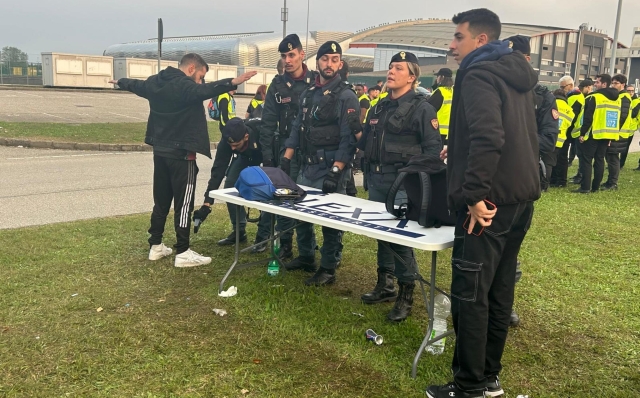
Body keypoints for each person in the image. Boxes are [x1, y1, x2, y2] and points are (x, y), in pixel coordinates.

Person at [426, 9, 539, 398]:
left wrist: (473, 196)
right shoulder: (515, 72)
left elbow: (488, 138)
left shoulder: (478, 73)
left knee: (471, 295)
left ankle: (469, 385)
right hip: (519, 199)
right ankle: (488, 378)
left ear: (480, 40)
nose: (451, 45)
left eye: (458, 37)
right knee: (497, 292)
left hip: (489, 205)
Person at [108, 53, 255, 267]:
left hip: (160, 152)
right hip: (182, 155)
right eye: (200, 75)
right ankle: (183, 251)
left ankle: (155, 246)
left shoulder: (156, 82)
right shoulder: (185, 87)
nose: (201, 81)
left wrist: (120, 82)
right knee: (184, 204)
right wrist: (232, 82)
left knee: (161, 202)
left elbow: (137, 85)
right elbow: (206, 90)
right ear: (191, 68)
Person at [359, 51, 441, 322]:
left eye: (398, 68)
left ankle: (407, 294)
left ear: (413, 77)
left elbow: (432, 150)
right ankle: (386, 284)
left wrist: (415, 181)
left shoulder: (422, 108)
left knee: (400, 240)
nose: (391, 72)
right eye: (391, 67)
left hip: (403, 183)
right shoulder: (380, 107)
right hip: (378, 180)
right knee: (381, 234)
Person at [280, 41, 360, 286]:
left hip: (331, 168)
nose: (329, 64)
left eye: (335, 60)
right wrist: (286, 159)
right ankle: (306, 256)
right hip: (307, 167)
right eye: (325, 59)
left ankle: (328, 267)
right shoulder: (308, 93)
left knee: (330, 221)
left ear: (340, 63)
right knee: (301, 215)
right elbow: (297, 129)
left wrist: (336, 171)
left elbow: (348, 140)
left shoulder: (347, 96)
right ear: (317, 62)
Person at [252, 33, 316, 258]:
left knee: (308, 202)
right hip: (284, 152)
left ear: (301, 54)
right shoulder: (277, 85)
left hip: (311, 152)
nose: (288, 60)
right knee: (284, 199)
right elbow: (267, 124)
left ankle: (310, 251)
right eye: (284, 56)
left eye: (291, 54)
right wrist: (268, 159)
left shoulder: (316, 81)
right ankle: (286, 245)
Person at [193, 117, 273, 251]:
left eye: (235, 145)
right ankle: (239, 231)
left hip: (268, 156)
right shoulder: (229, 140)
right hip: (246, 156)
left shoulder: (261, 131)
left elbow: (271, 161)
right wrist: (207, 202)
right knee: (230, 185)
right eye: (230, 145)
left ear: (246, 136)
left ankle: (263, 236)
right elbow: (218, 168)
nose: (232, 148)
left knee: (267, 191)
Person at [505, 35, 559, 192]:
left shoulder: (543, 97)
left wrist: (509, 142)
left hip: (523, 173)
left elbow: (548, 141)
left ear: (526, 59)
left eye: (512, 58)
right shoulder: (492, 89)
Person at [573, 74, 621, 194]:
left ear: (604, 84)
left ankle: (585, 187)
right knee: (599, 160)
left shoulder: (593, 97)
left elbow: (587, 118)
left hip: (593, 133)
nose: (595, 84)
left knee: (586, 160)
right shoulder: (617, 99)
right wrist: (611, 135)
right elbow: (617, 118)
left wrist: (582, 133)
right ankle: (595, 187)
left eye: (597, 82)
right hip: (607, 134)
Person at [550, 76, 587, 187]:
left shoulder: (576, 97)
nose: (561, 89)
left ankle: (560, 180)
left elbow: (572, 117)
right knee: (560, 157)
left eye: (563, 86)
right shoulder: (571, 96)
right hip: (566, 132)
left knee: (561, 158)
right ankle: (557, 179)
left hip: (568, 132)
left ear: (570, 85)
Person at [602, 74, 633, 190]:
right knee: (610, 158)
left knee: (613, 158)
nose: (613, 85)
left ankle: (613, 183)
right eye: (613, 83)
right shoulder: (619, 96)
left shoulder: (624, 97)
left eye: (616, 83)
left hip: (619, 134)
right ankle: (610, 181)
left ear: (623, 84)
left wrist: (612, 134)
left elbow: (621, 117)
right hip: (616, 133)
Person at [568, 79, 594, 183]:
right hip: (579, 131)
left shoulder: (590, 98)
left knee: (583, 157)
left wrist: (583, 132)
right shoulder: (584, 98)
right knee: (580, 155)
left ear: (588, 87)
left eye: (581, 88)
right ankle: (579, 175)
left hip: (583, 132)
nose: (580, 90)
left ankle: (581, 177)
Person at [428, 68, 454, 143]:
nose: (436, 78)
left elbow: (428, 108)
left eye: (438, 76)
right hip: (451, 132)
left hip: (438, 131)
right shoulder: (454, 91)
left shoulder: (440, 92)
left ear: (442, 77)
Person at [621, 85, 639, 169]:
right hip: (623, 126)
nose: (631, 92)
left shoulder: (637, 101)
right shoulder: (624, 99)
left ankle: (621, 163)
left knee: (625, 147)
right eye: (629, 91)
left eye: (632, 91)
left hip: (630, 128)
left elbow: (633, 114)